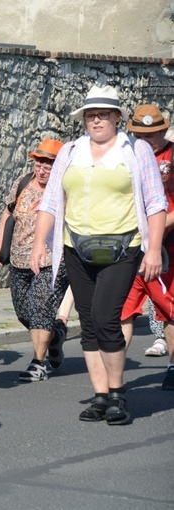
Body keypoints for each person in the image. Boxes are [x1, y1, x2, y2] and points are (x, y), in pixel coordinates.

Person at [30, 85, 166, 425]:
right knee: (88, 322)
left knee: (107, 318)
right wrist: (38, 244)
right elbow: (50, 201)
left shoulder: (135, 151)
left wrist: (153, 250)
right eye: (91, 115)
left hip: (123, 246)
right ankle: (100, 394)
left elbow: (155, 203)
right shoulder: (71, 151)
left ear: (118, 118)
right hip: (77, 246)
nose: (97, 120)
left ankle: (118, 394)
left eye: (104, 114)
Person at [0, 138, 70, 381]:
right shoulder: (23, 182)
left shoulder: (65, 188)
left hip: (51, 260)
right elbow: (8, 212)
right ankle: (55, 336)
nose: (42, 170)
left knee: (40, 308)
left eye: (49, 165)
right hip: (18, 259)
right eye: (39, 164)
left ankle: (38, 363)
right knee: (23, 313)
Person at [119, 104, 174, 390]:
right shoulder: (128, 157)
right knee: (123, 311)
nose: (147, 138)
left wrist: (155, 227)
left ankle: (173, 367)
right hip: (131, 248)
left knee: (169, 310)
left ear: (164, 129)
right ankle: (114, 372)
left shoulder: (173, 156)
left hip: (167, 250)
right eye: (141, 133)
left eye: (153, 133)